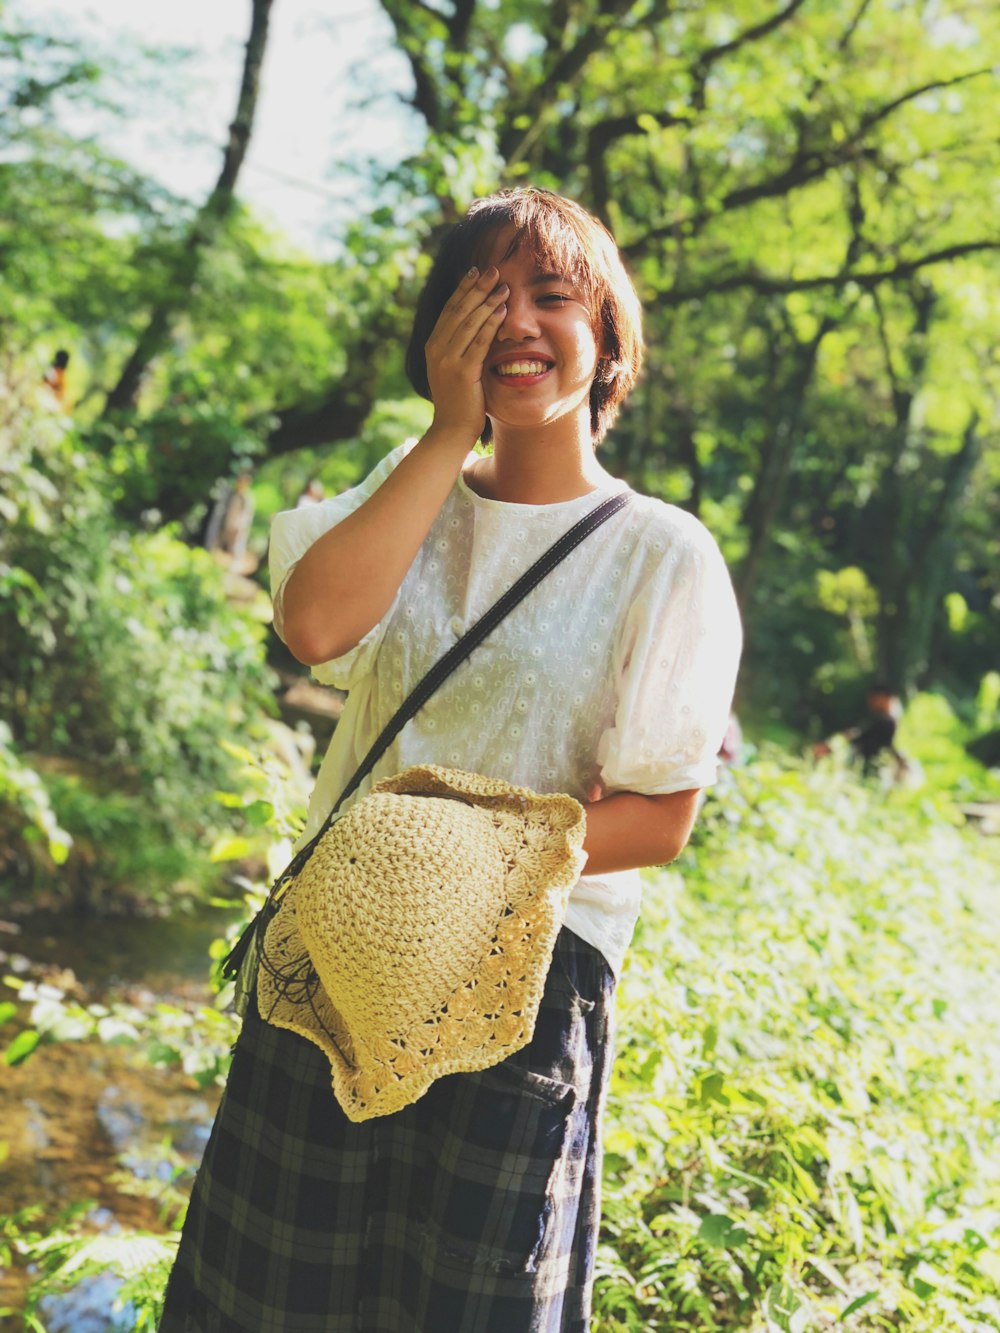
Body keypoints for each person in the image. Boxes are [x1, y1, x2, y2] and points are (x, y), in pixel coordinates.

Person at [159, 187, 742, 1333]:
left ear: (609, 338)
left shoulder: (661, 554)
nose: (515, 322)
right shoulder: (408, 486)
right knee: (263, 1301)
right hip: (336, 952)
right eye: (484, 295)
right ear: (441, 335)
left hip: (521, 984)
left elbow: (661, 814)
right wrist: (443, 431)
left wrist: (453, 853)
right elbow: (316, 627)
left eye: (551, 294)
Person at [203, 469, 255, 565]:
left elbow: (247, 516)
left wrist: (241, 527)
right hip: (226, 524)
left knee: (234, 551)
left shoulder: (247, 498)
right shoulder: (231, 494)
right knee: (217, 546)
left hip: (237, 528)